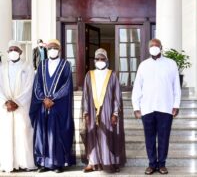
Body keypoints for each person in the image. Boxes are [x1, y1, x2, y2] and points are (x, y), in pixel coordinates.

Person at [132, 39, 181, 175]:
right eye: (151, 46)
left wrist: (176, 104)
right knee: (149, 138)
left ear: (161, 47)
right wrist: (136, 107)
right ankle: (152, 164)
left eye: (156, 46)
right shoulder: (143, 65)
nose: (154, 48)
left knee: (164, 137)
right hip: (147, 108)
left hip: (165, 107)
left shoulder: (171, 64)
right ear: (148, 48)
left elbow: (176, 86)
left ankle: (162, 164)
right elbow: (137, 87)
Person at [29, 39, 75, 173]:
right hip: (43, 106)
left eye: (55, 47)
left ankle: (58, 163)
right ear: (47, 49)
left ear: (59, 50)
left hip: (58, 106)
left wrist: (53, 98)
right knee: (42, 133)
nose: (52, 50)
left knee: (57, 133)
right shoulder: (41, 65)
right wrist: (44, 99)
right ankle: (43, 163)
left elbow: (66, 86)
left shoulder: (66, 65)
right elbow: (37, 84)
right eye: (50, 48)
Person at [80, 48, 126, 173]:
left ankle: (109, 161)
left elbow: (117, 95)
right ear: (94, 60)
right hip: (91, 109)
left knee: (107, 136)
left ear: (107, 60)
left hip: (108, 111)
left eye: (102, 59)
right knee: (92, 135)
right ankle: (92, 162)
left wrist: (115, 113)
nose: (100, 61)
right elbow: (85, 95)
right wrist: (86, 112)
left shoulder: (112, 75)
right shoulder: (89, 74)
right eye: (98, 59)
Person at [0, 41, 36, 172]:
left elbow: (29, 87)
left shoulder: (28, 67)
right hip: (6, 108)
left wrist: (17, 102)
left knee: (24, 133)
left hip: (22, 107)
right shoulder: (2, 68)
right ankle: (8, 163)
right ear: (8, 52)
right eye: (10, 49)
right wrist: (5, 102)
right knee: (6, 135)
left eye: (15, 49)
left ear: (20, 52)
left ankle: (25, 163)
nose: (13, 51)